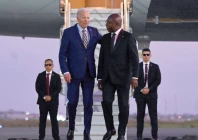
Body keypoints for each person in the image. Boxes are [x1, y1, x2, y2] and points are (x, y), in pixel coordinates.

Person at [59, 8, 102, 140]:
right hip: (72, 74)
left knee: (88, 103)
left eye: (88, 18)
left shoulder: (93, 31)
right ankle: (71, 128)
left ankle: (86, 132)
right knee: (72, 103)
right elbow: (62, 54)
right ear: (77, 18)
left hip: (89, 73)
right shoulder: (68, 32)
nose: (86, 20)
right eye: (84, 17)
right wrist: (65, 71)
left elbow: (105, 43)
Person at [97, 13, 139, 140]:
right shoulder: (105, 38)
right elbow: (102, 59)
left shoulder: (128, 37)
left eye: (108, 22)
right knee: (106, 103)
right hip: (108, 78)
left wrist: (135, 77)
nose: (106, 25)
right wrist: (99, 78)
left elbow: (135, 59)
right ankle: (110, 129)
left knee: (123, 105)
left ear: (116, 23)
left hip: (123, 78)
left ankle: (121, 132)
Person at [134, 48, 161, 140]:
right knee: (140, 116)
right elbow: (133, 79)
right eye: (144, 55)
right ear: (142, 56)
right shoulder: (137, 66)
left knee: (153, 116)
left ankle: (154, 136)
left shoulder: (155, 67)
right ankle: (139, 136)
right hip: (140, 95)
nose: (146, 56)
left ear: (150, 55)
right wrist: (141, 89)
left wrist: (149, 89)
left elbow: (158, 80)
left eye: (147, 54)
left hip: (151, 94)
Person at [35, 59, 62, 140]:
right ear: (44, 66)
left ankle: (56, 137)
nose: (48, 66)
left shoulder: (56, 76)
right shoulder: (40, 75)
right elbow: (37, 88)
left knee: (54, 120)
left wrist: (50, 96)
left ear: (53, 66)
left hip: (53, 102)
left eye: (50, 64)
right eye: (46, 65)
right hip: (43, 102)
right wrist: (44, 96)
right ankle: (41, 137)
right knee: (42, 120)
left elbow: (58, 88)